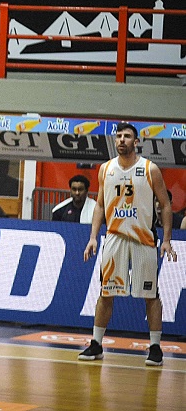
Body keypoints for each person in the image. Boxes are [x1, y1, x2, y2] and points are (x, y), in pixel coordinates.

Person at [79, 122, 177, 367]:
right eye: (119, 136)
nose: (122, 139)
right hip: (114, 237)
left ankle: (155, 347)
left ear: (136, 141)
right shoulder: (105, 169)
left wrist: (166, 240)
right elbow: (100, 204)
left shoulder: (150, 168)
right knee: (106, 293)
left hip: (143, 239)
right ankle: (96, 344)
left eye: (127, 136)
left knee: (151, 295)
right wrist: (93, 236)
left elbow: (165, 205)